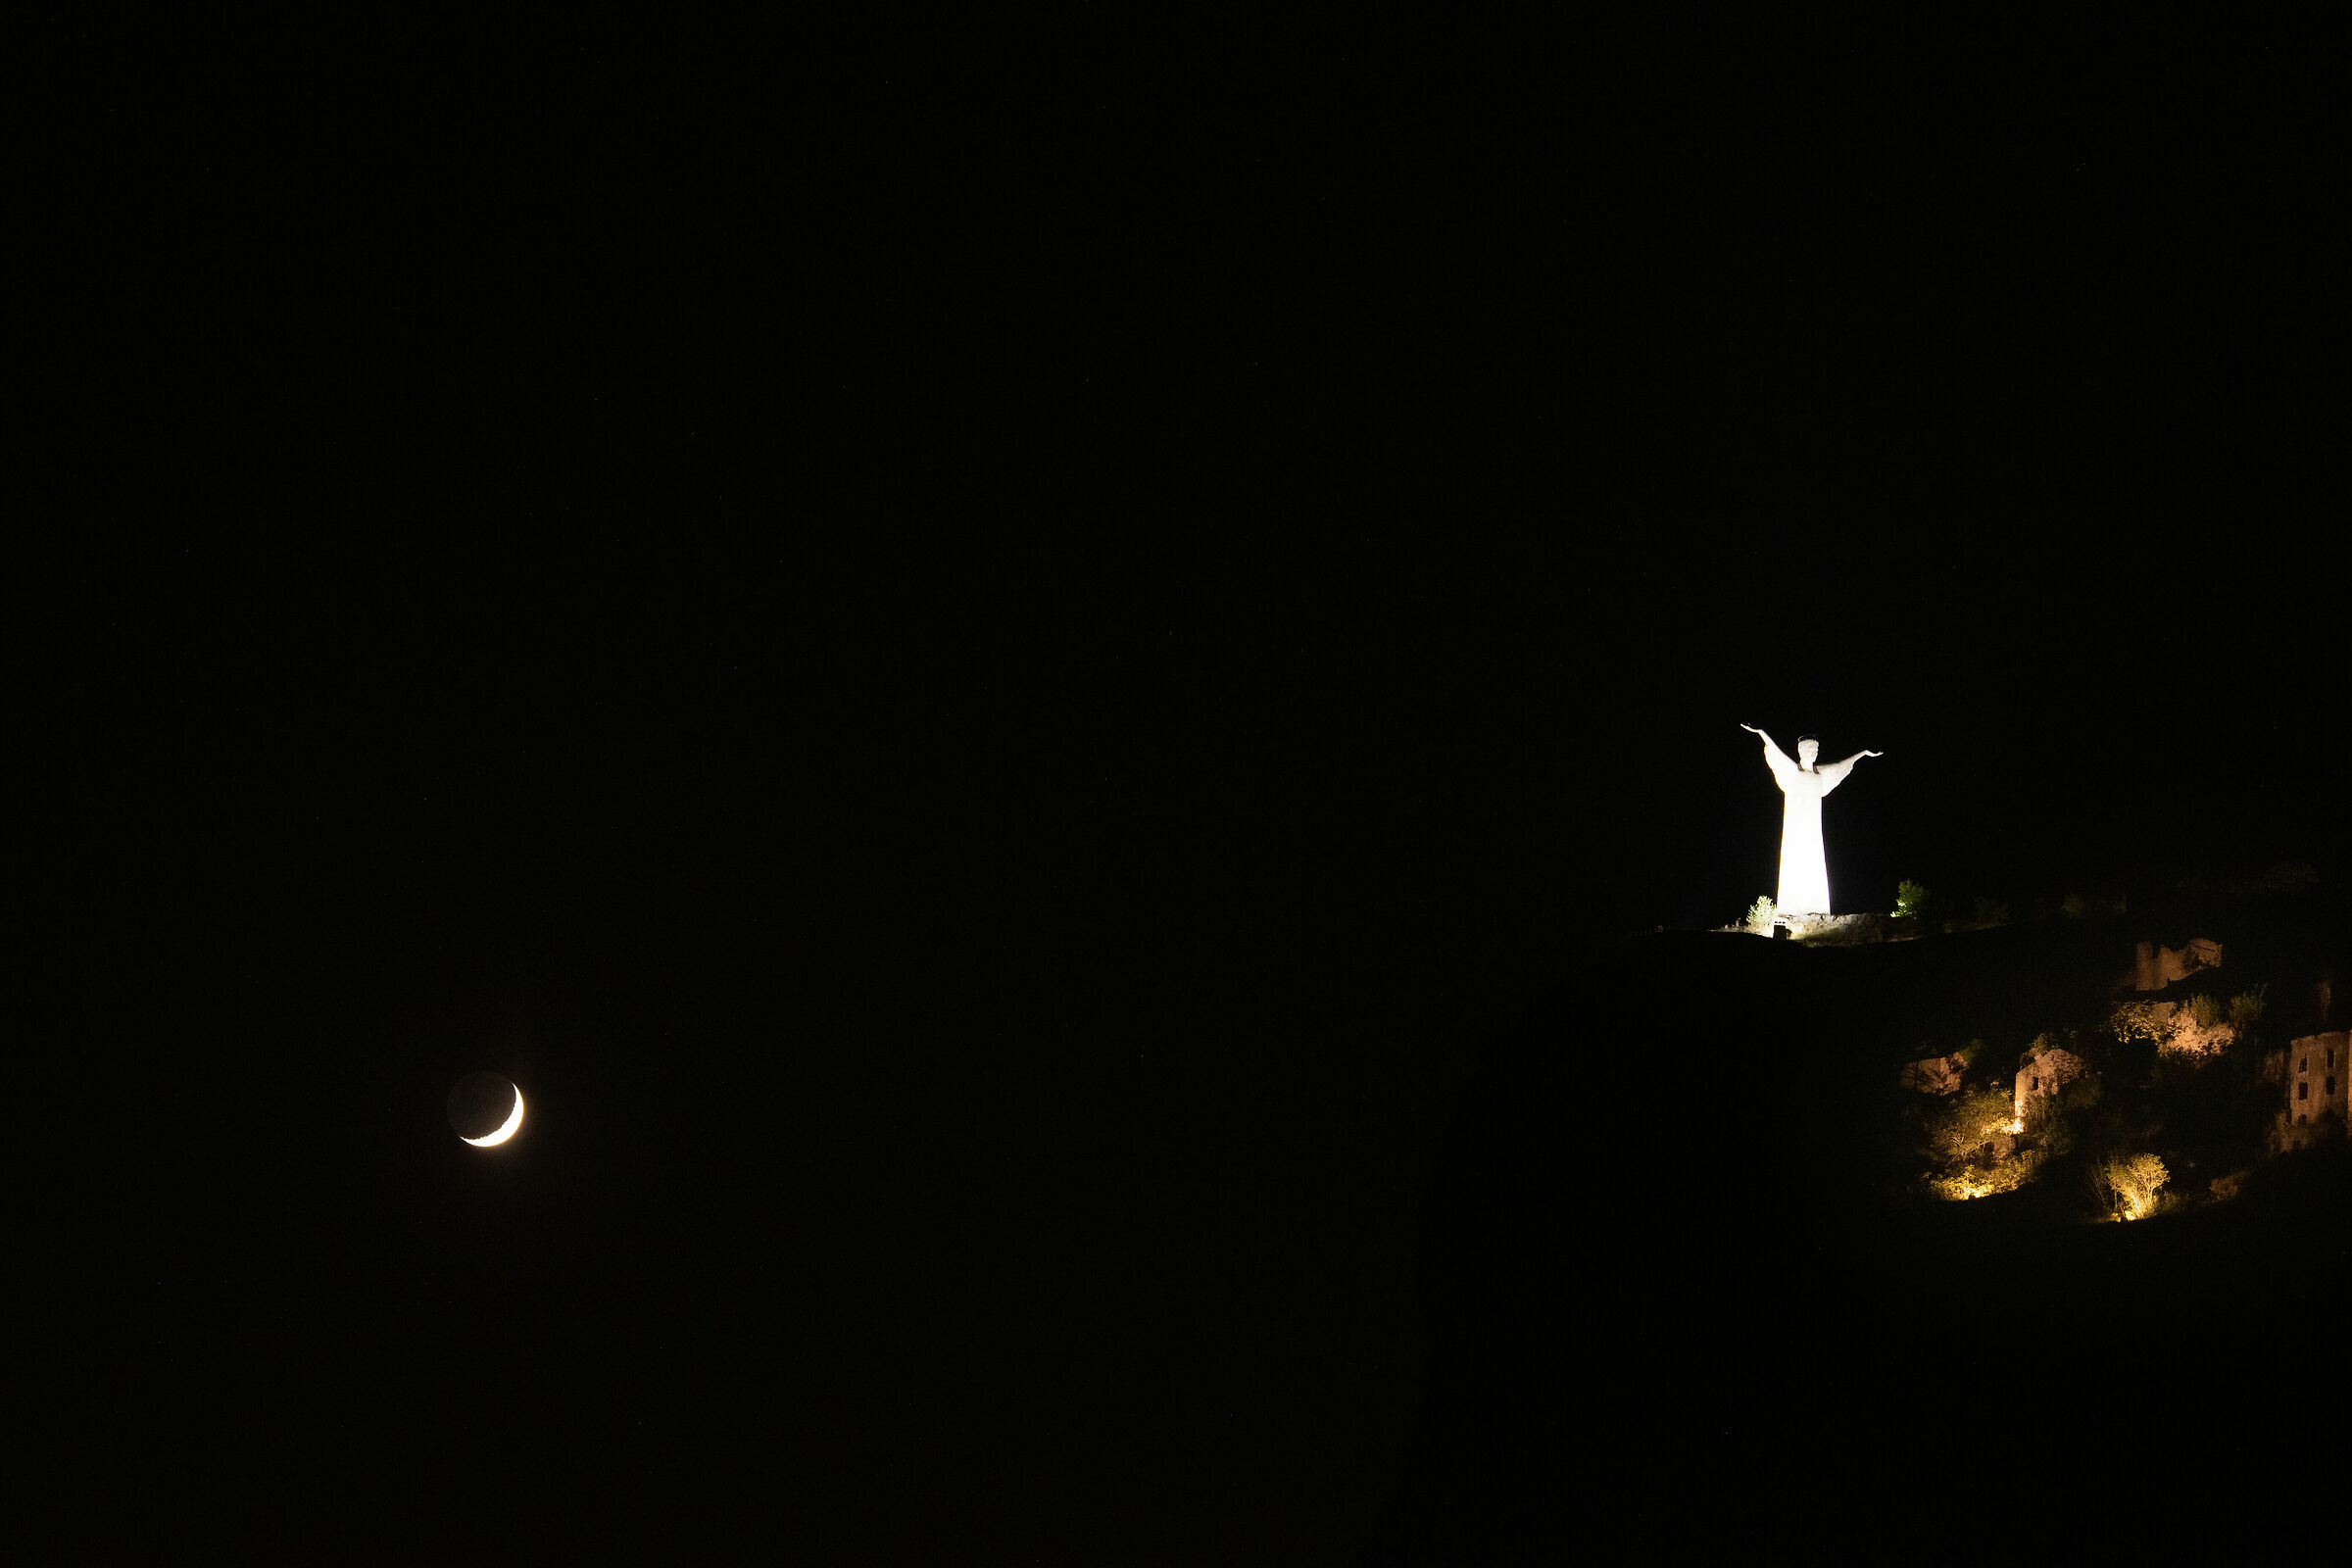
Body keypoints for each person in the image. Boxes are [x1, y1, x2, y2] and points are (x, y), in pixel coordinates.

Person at [1740, 724, 1881, 916]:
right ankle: (1791, 911)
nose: (1814, 753)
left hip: (1813, 833)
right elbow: (1776, 753)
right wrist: (1762, 732)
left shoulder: (1820, 776)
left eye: (1816, 750)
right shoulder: (1793, 773)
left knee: (1815, 867)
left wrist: (1863, 753)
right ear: (1800, 751)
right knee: (1794, 864)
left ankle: (1817, 910)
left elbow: (1840, 765)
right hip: (1794, 830)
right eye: (1810, 749)